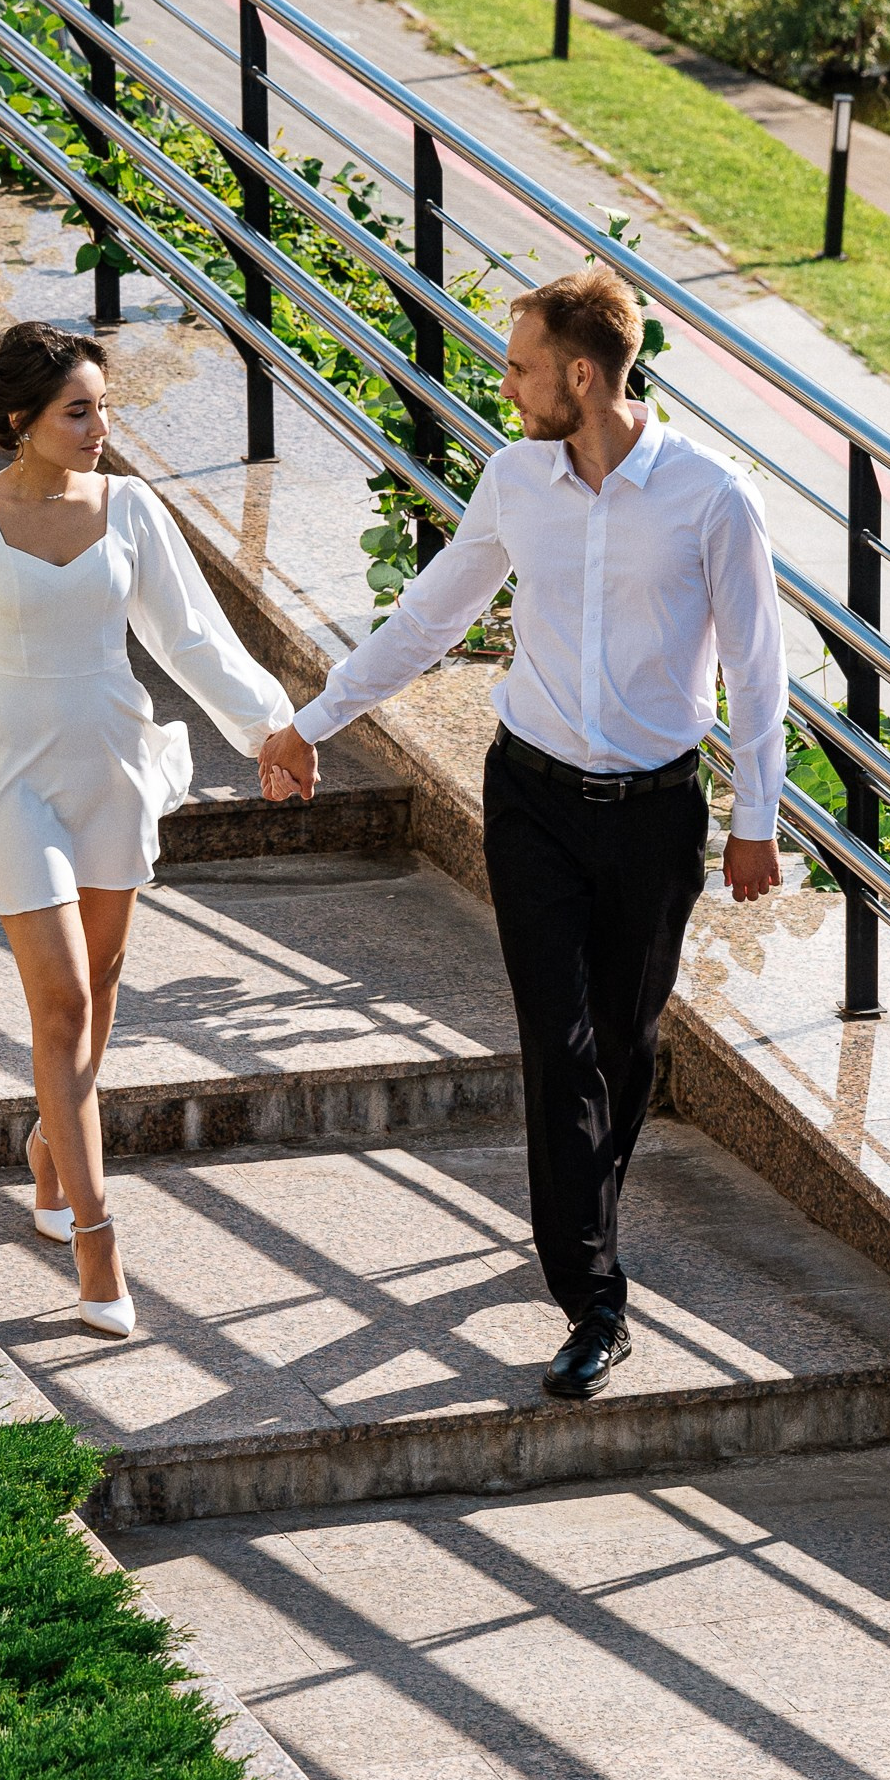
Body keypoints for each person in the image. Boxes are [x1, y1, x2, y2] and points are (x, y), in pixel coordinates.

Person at [262, 265, 787, 1404]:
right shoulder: (514, 479)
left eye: (519, 365)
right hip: (532, 798)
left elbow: (757, 669)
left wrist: (757, 821)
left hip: (653, 812)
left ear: (582, 375)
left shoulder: (712, 496)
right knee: (557, 1041)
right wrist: (311, 721)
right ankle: (593, 1295)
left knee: (627, 1041)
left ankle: (577, 1205)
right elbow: (430, 615)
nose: (504, 385)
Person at [0, 324, 304, 1338]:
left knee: (101, 983)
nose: (101, 428)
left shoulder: (132, 510)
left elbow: (190, 634)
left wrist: (269, 725)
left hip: (111, 761)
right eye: (79, 409)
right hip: (16, 771)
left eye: (105, 408)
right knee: (63, 996)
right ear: (22, 417)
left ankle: (48, 1152)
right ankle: (98, 1239)